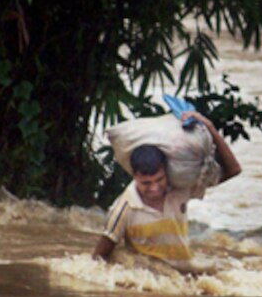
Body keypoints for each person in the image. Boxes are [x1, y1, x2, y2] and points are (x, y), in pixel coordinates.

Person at [92, 110, 241, 274]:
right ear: (134, 175)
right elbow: (99, 258)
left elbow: (233, 170)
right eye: (146, 183)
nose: (155, 188)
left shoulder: (179, 189)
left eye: (159, 179)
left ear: (166, 171)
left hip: (186, 276)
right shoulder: (123, 209)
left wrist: (210, 128)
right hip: (151, 284)